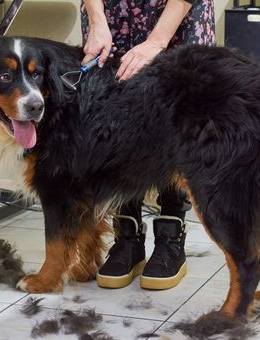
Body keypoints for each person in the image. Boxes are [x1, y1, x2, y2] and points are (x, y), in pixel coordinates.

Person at [80, 0, 215, 290]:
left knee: (172, 123)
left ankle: (170, 238)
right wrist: (96, 20)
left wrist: (156, 41)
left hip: (177, 17)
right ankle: (127, 238)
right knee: (115, 120)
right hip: (112, 16)